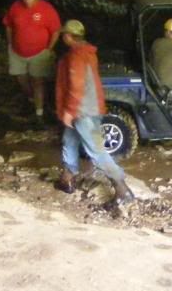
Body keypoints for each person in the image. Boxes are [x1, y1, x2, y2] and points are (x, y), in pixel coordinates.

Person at [54, 19, 134, 205]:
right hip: (88, 109)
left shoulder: (76, 56)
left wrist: (70, 110)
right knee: (70, 140)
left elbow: (76, 85)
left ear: (67, 36)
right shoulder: (88, 53)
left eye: (63, 35)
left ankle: (122, 189)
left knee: (97, 150)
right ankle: (67, 178)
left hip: (83, 112)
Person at [2, 0, 61, 123]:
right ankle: (31, 98)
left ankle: (39, 112)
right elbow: (9, 26)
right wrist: (10, 44)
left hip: (39, 52)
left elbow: (56, 31)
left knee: (38, 81)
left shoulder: (46, 9)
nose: (27, 1)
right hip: (17, 52)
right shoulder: (16, 6)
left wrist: (49, 49)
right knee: (20, 78)